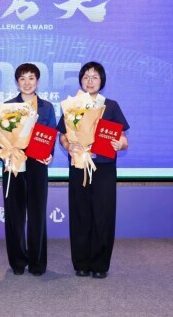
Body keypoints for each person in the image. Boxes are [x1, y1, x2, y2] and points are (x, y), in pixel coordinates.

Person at [57, 61, 129, 279]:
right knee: (80, 213)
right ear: (80, 80)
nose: (90, 81)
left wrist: (120, 144)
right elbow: (62, 135)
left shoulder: (111, 106)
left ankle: (100, 265)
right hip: (79, 165)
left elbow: (124, 139)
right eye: (86, 77)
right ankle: (81, 262)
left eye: (95, 77)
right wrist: (69, 146)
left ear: (102, 81)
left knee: (103, 215)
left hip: (104, 168)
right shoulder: (72, 106)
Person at [0, 63, 56, 276]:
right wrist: (3, 151)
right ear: (17, 82)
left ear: (37, 82)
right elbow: (0, 138)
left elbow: (50, 135)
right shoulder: (7, 107)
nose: (27, 82)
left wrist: (49, 153)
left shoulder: (47, 107)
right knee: (14, 215)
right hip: (14, 163)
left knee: (37, 214)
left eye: (31, 78)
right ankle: (17, 261)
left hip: (37, 164)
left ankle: (37, 262)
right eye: (22, 78)